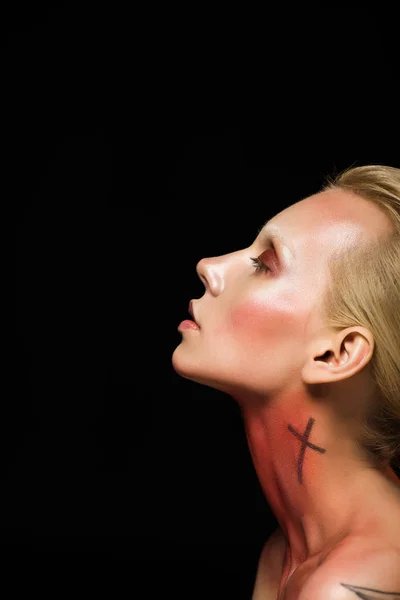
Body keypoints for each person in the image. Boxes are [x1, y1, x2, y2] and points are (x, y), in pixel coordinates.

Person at [172, 164, 400, 599]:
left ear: (336, 354)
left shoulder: (348, 586)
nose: (209, 267)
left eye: (264, 264)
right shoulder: (285, 554)